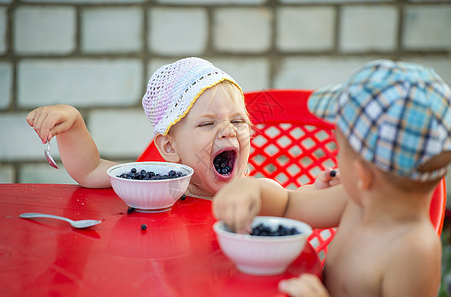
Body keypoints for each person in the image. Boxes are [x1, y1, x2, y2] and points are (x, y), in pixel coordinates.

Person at [213, 59, 451, 296]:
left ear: (363, 175)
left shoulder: (415, 251)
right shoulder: (356, 201)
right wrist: (251, 190)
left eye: (339, 148)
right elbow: (288, 205)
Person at [27, 57, 338, 199]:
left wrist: (324, 191)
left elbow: (300, 206)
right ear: (170, 147)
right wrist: (74, 124)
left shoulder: (260, 193)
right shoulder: (157, 186)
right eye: (207, 123)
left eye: (239, 121)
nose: (229, 130)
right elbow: (91, 169)